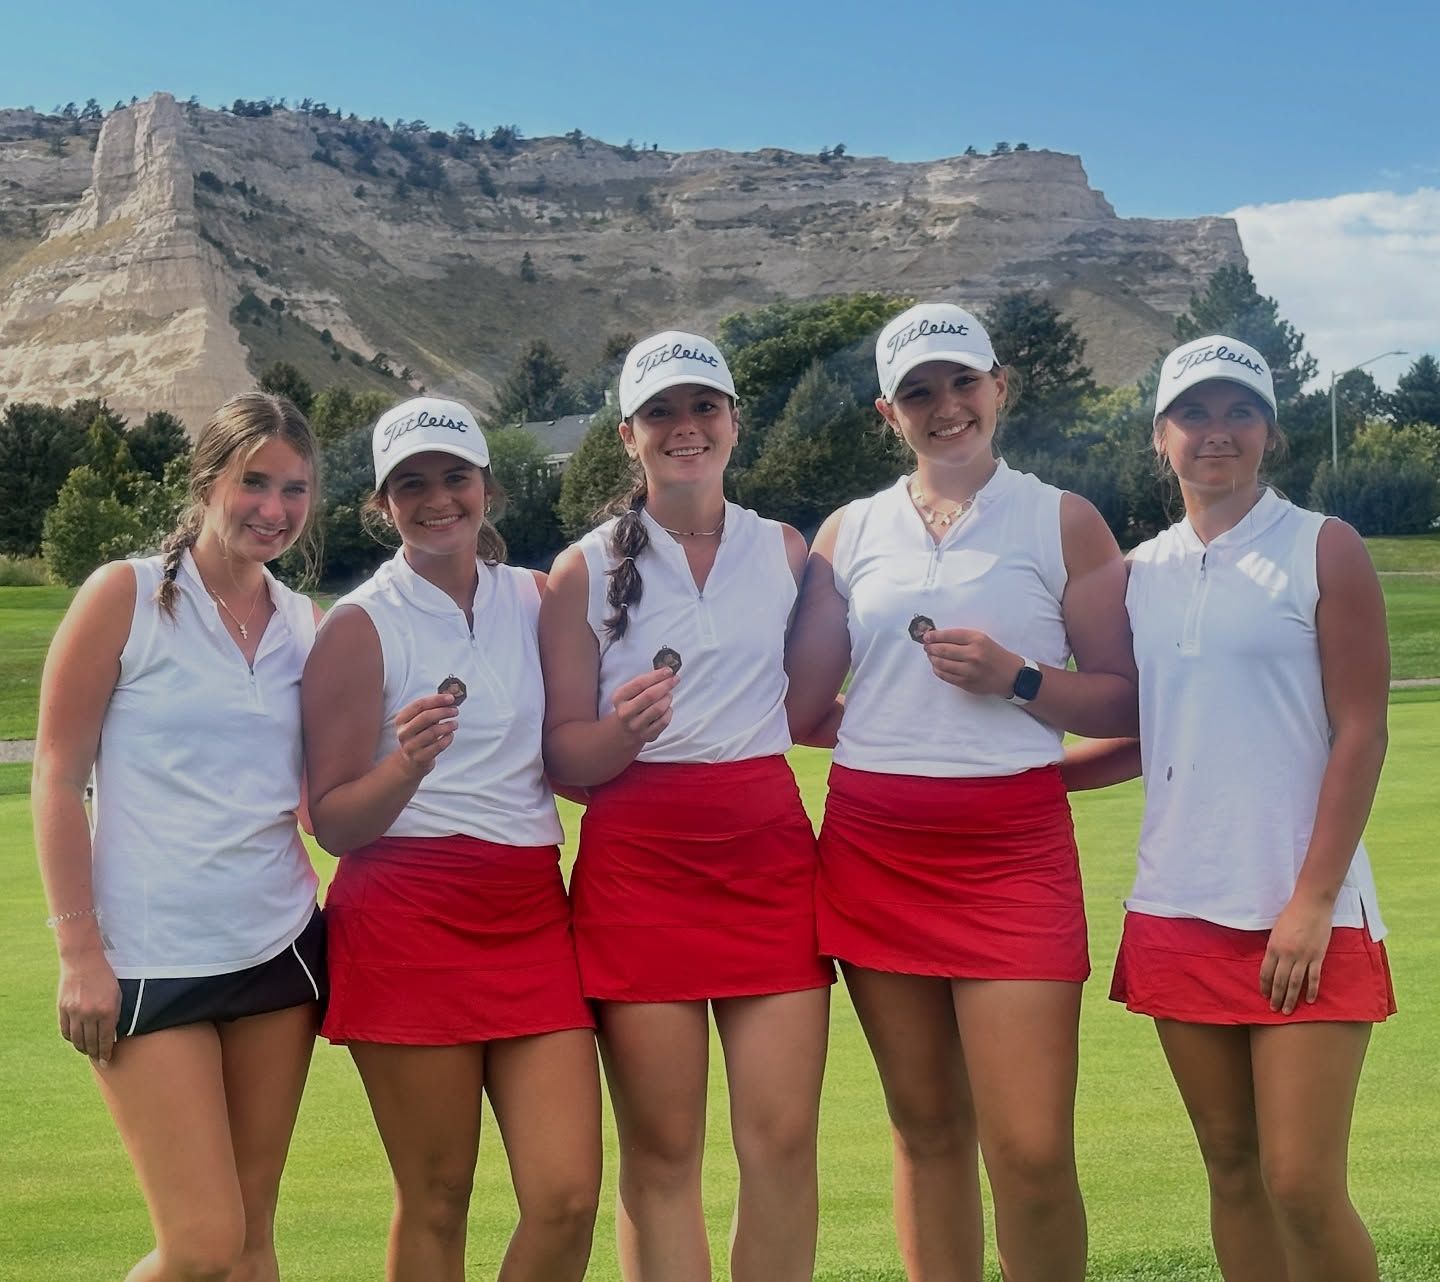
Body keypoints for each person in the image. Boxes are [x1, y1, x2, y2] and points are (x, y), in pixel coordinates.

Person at [785, 302, 1138, 1282]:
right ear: (886, 414)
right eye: (918, 392)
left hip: (1012, 854)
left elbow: (1124, 697)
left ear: (1000, 387)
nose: (945, 406)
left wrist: (1019, 680)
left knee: (1028, 1148)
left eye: (962, 383)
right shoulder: (848, 532)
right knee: (927, 1128)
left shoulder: (1062, 518)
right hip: (872, 849)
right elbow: (799, 704)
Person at [1064, 335, 1393, 1282]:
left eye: (1239, 412)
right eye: (1194, 415)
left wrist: (1310, 903)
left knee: (1301, 1183)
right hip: (1178, 904)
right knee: (1234, 1171)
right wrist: (1025, 783)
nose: (1218, 433)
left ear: (1271, 433)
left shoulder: (1322, 546)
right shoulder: (1141, 572)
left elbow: (1360, 733)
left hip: (1304, 911)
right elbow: (1156, 732)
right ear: (1159, 437)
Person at [538, 332, 834, 1282]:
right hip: (639, 866)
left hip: (767, 857)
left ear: (734, 421)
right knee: (663, 1156)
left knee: (782, 1143)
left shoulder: (785, 549)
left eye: (703, 407)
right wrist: (622, 734)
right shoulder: (580, 570)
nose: (685, 428)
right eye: (661, 412)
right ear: (628, 435)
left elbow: (800, 708)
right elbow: (562, 752)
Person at [302, 397, 599, 1282]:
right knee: (437, 1197)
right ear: (383, 504)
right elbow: (334, 822)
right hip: (405, 915)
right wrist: (407, 766)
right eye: (412, 484)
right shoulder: (357, 624)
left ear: (487, 487)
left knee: (567, 1196)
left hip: (527, 909)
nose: (438, 499)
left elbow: (562, 755)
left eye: (455, 478)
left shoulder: (538, 598)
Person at [33, 393, 326, 1282]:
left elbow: (313, 799)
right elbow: (55, 774)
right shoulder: (122, 595)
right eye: (255, 482)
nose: (274, 509)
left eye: (296, 490)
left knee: (252, 1235)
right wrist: (79, 951)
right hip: (148, 962)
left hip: (277, 952)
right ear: (207, 481)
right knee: (200, 1242)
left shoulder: (304, 625)